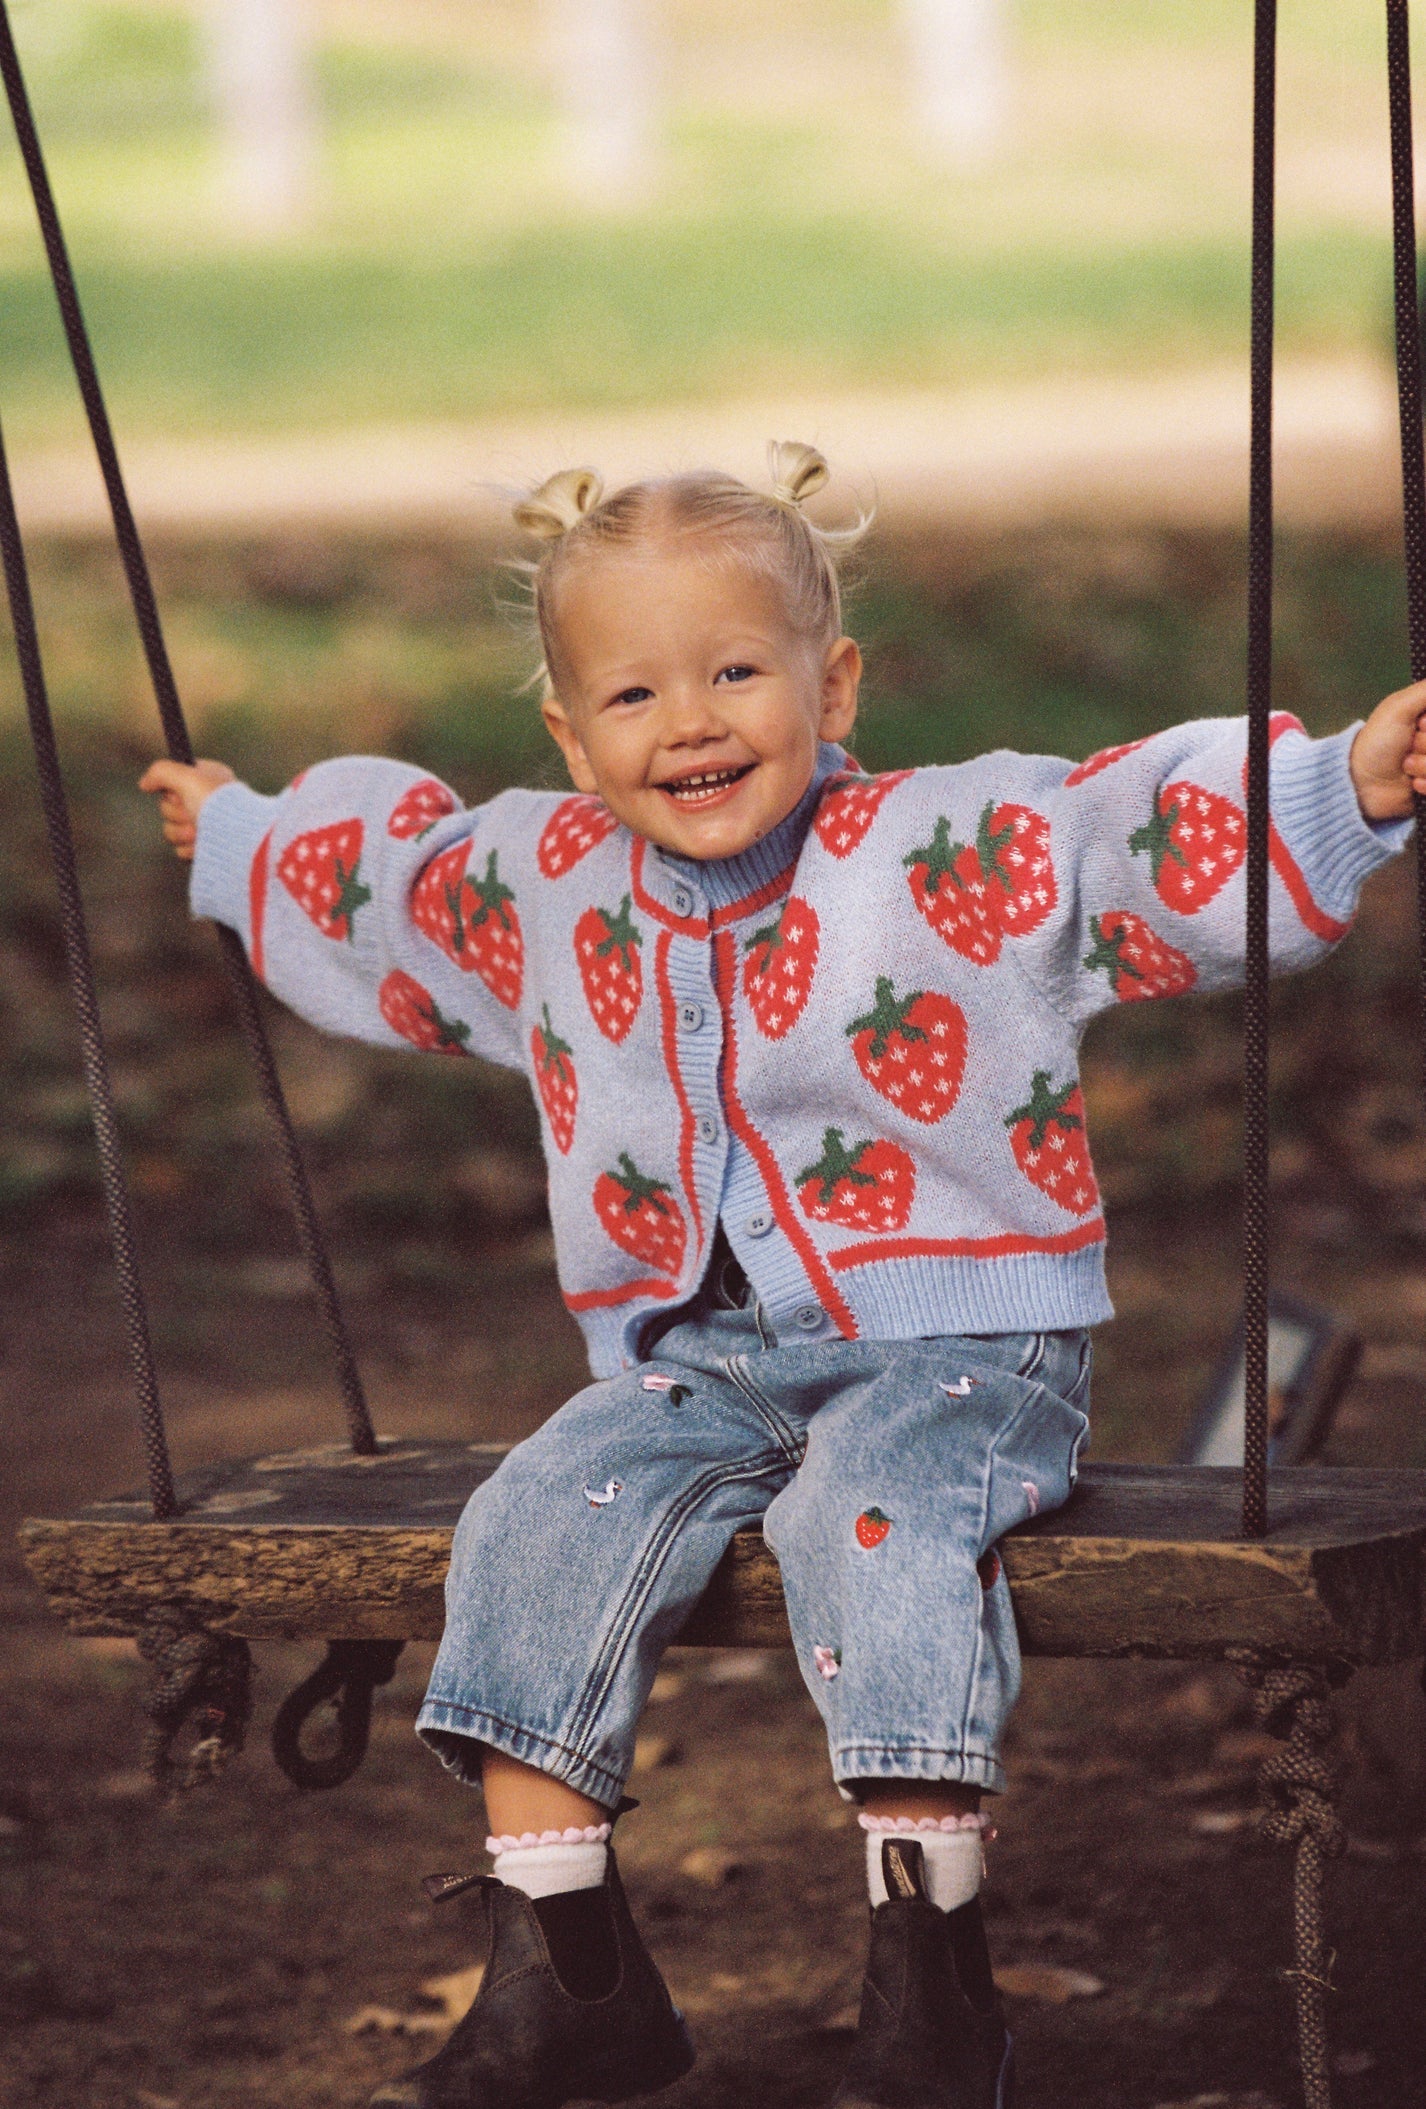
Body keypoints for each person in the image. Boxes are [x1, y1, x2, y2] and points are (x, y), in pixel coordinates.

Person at [141, 444, 1426, 2109]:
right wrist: (238, 833)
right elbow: (400, 887)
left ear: (834, 684)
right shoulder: (552, 882)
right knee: (532, 1509)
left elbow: (1117, 835)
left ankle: (927, 1972)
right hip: (703, 1353)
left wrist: (1346, 787)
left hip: (962, 1343)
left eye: (737, 670)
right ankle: (564, 1963)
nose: (687, 719)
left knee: (866, 1522)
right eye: (630, 691)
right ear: (566, 735)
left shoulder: (936, 849)